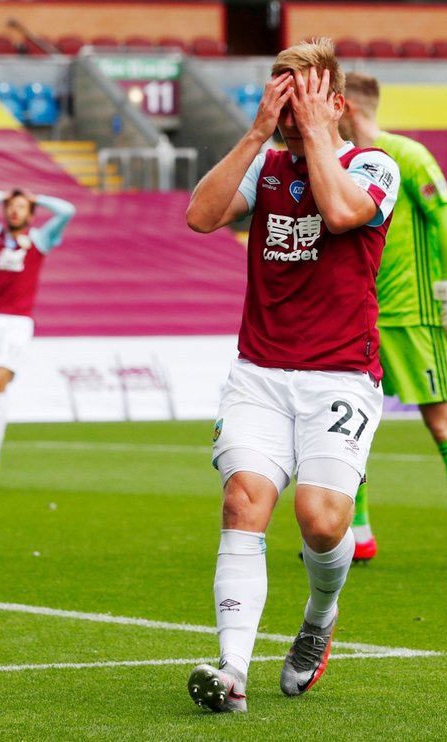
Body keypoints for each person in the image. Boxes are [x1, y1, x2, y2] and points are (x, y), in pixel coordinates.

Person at [183, 38, 399, 714]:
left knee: (322, 522)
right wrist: (253, 133)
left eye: (300, 91)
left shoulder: (373, 165)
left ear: (334, 101)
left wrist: (315, 132)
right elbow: (200, 215)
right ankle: (232, 669)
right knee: (243, 502)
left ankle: (320, 616)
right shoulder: (266, 165)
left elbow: (340, 214)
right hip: (260, 372)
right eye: (279, 92)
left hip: (340, 378)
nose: (287, 106)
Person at [338, 72, 447, 571]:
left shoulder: (408, 156)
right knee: (346, 426)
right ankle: (357, 534)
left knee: (443, 425)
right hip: (360, 317)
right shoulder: (343, 164)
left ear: (350, 109)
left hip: (416, 317)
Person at [0, 188, 75, 472]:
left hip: (17, 323)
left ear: (30, 213)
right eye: (11, 206)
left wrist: (38, 199)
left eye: (22, 207)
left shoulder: (40, 240)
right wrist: (1, 194)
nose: (15, 211)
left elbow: (67, 211)